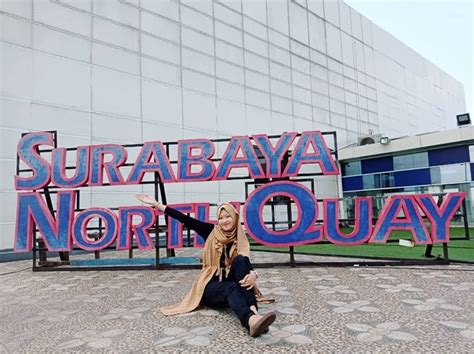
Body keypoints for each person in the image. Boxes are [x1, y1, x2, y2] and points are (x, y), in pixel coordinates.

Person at [135, 194, 276, 337]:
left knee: (240, 260)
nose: (224, 221)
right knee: (231, 287)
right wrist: (157, 204)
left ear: (235, 217)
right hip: (209, 288)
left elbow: (245, 262)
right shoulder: (210, 232)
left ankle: (255, 314)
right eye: (220, 218)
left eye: (227, 217)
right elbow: (185, 219)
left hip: (229, 283)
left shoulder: (239, 237)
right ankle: (250, 320)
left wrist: (253, 275)